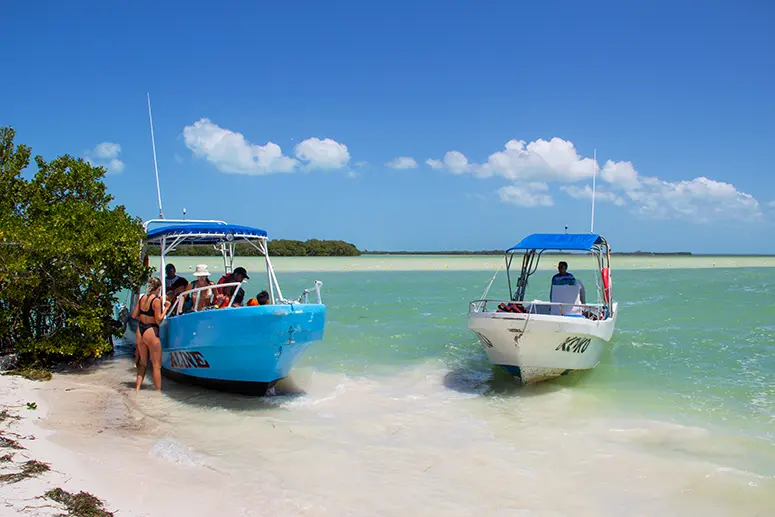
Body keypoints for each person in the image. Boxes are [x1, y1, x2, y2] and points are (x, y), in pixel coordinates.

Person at [131, 277, 169, 391]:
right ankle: (158, 393)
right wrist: (166, 308)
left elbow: (133, 315)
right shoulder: (156, 301)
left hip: (140, 330)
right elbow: (158, 320)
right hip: (151, 331)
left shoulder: (142, 298)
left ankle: (137, 389)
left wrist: (144, 317)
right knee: (156, 366)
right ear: (158, 288)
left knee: (142, 363)